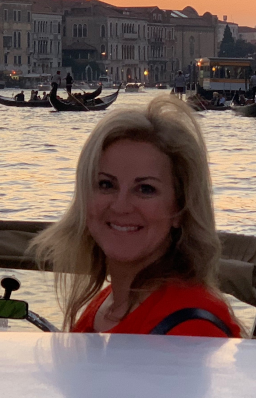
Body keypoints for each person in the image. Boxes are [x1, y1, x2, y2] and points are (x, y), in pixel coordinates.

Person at [31, 96, 241, 338]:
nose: (121, 206)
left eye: (145, 189)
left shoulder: (190, 327)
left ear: (180, 210)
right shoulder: (106, 305)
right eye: (106, 184)